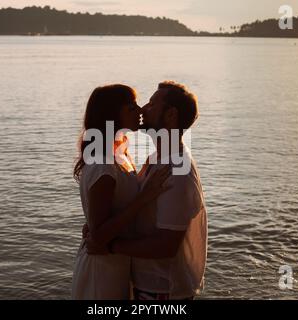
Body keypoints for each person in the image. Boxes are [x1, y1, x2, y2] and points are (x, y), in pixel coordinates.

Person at [87, 81, 208, 300]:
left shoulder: (178, 171)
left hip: (163, 290)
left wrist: (110, 246)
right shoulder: (155, 159)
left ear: (170, 116)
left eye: (152, 105)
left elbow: (166, 246)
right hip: (145, 285)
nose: (143, 109)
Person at [71, 84, 171, 300]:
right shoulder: (104, 166)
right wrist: (143, 199)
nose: (140, 111)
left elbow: (100, 219)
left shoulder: (119, 155)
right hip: (101, 272)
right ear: (113, 117)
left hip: (118, 265)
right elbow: (98, 236)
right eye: (131, 108)